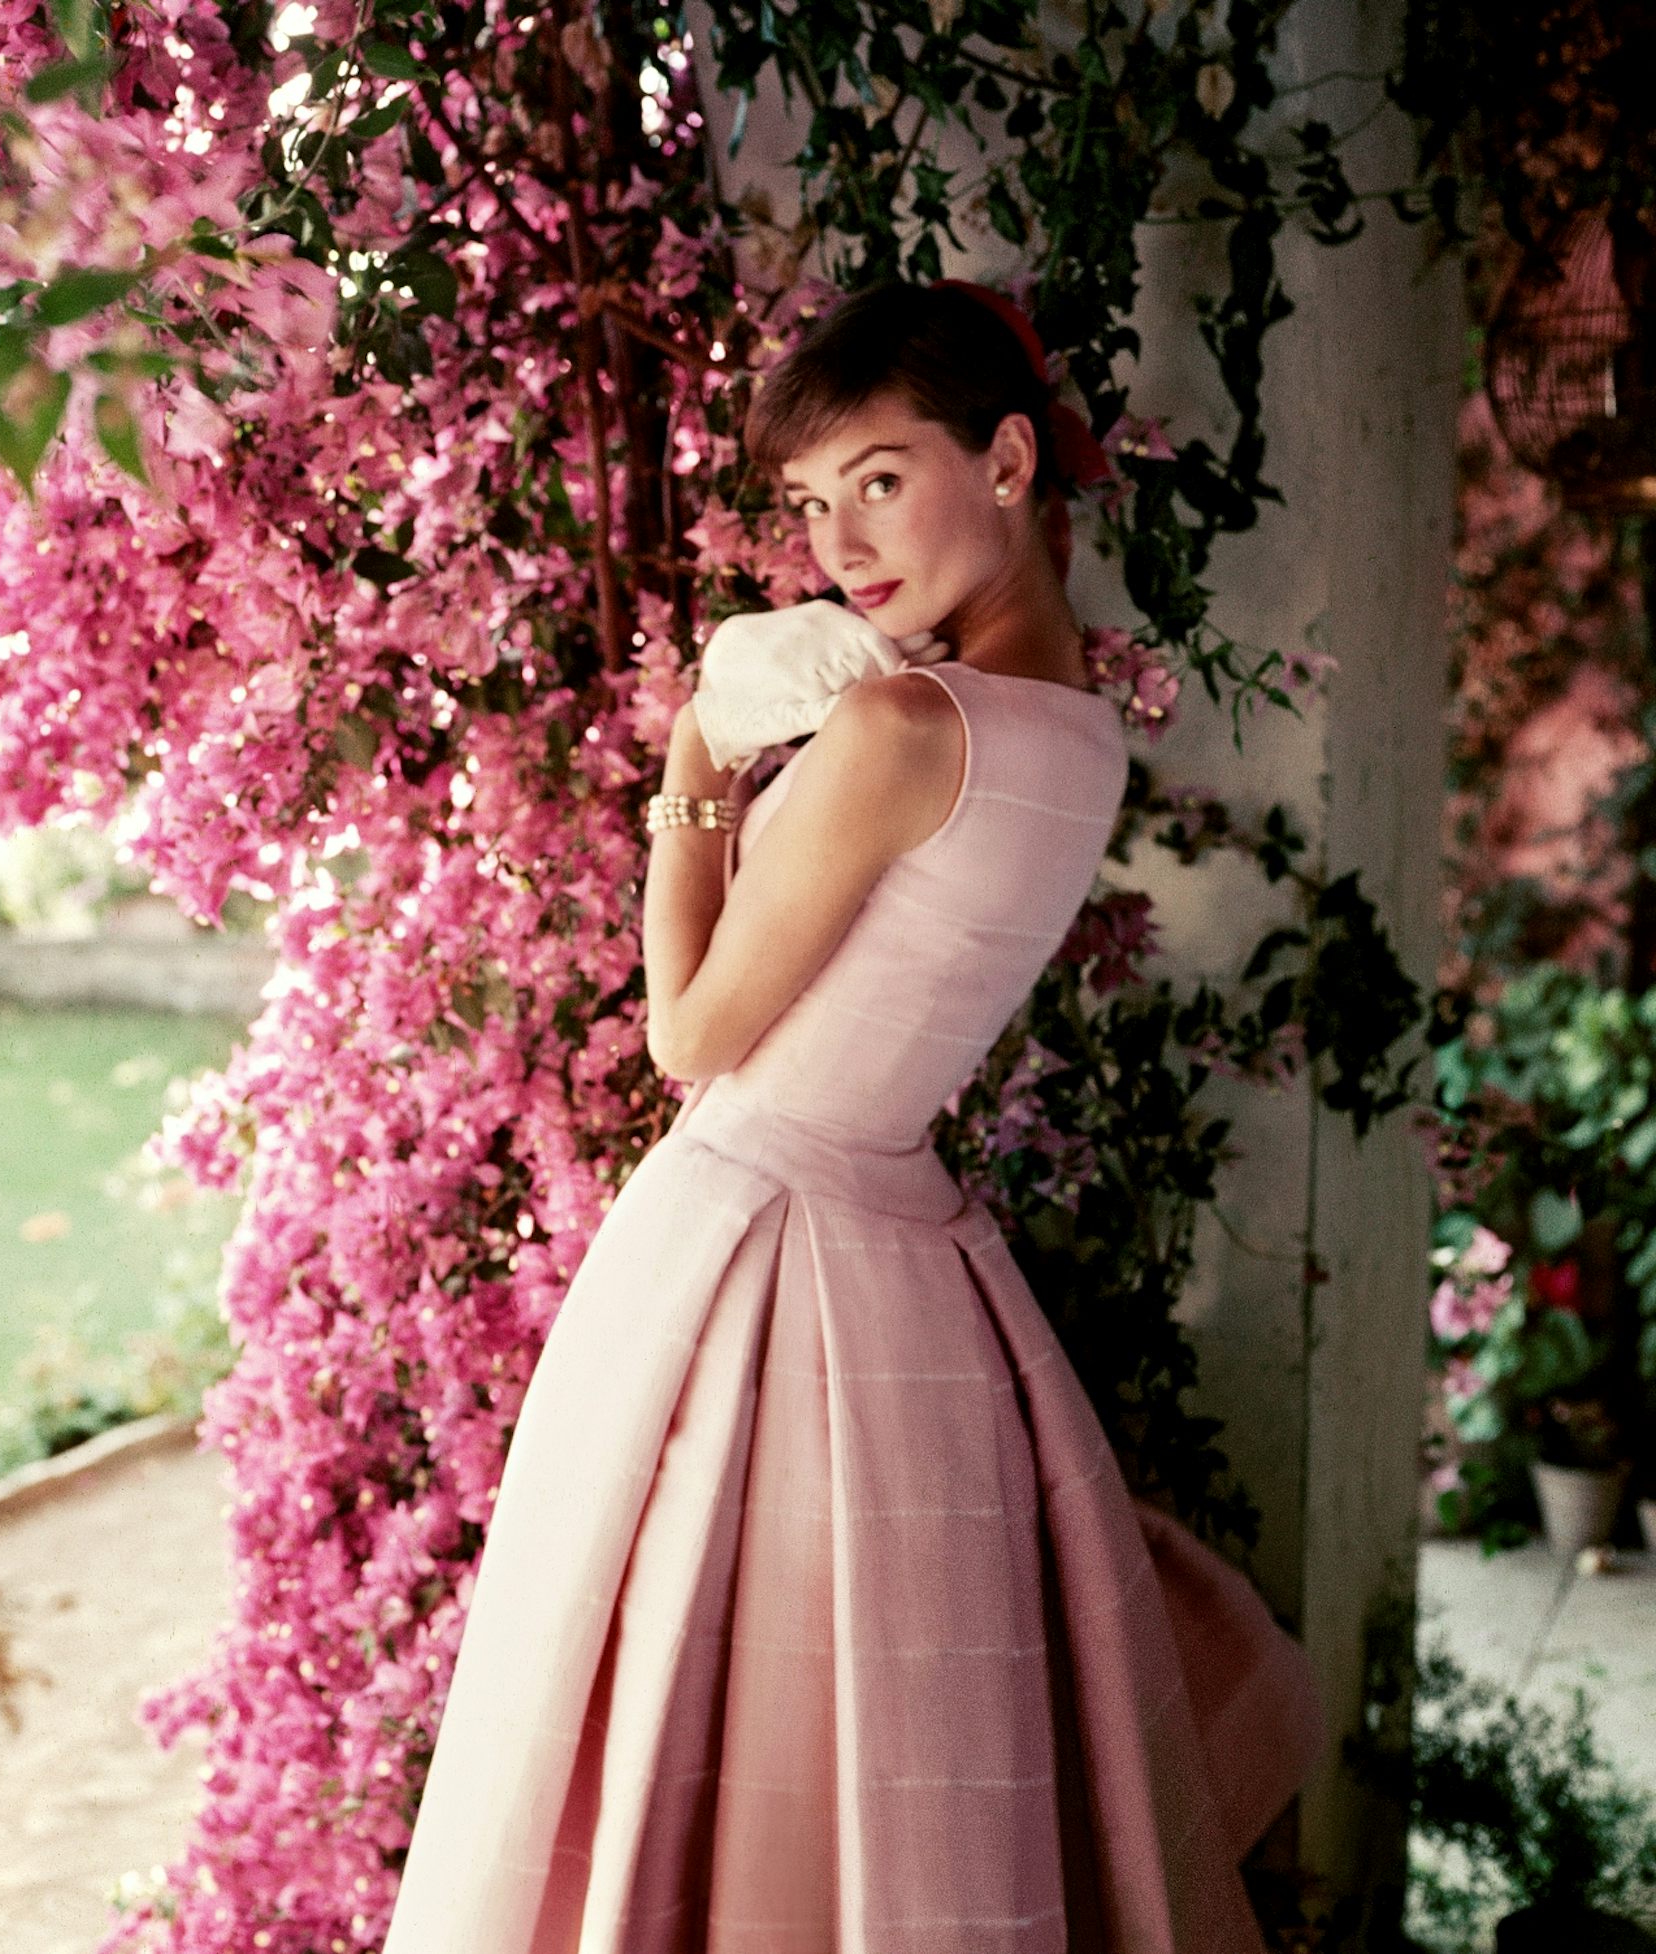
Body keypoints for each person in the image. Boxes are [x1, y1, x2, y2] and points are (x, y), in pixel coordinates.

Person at [380, 280, 1325, 1954]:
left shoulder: (900, 723)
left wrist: (691, 750)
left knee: (695, 1730)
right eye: (816, 503)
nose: (840, 543)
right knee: (874, 1747)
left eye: (881, 478)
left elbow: (688, 1036)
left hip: (755, 1236)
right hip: (903, 1252)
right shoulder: (1083, 732)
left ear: (1012, 457)